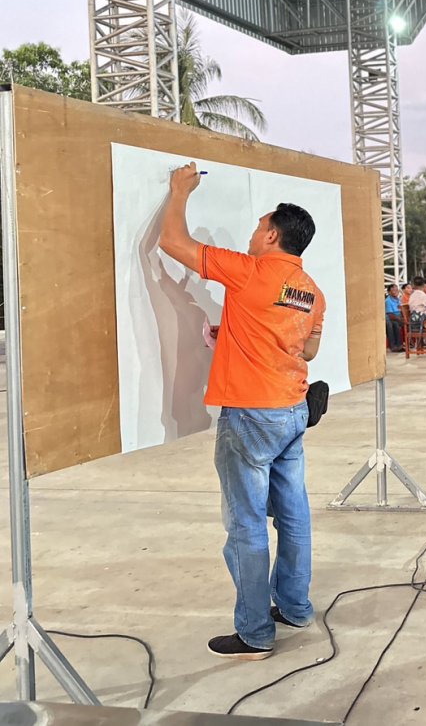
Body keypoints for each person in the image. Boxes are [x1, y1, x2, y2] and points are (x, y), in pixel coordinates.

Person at [157, 163, 322, 660]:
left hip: (250, 415)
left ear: (271, 235)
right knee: (292, 514)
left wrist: (179, 191)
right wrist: (232, 336)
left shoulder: (248, 271)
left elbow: (172, 242)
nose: (252, 232)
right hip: (291, 409)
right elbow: (307, 351)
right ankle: (293, 607)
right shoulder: (311, 290)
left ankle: (254, 632)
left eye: (257, 225)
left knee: (246, 523)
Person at [384, 284, 404, 352]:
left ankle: (401, 345)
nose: (395, 291)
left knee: (407, 322)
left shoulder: (398, 299)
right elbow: (390, 315)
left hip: (398, 317)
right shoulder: (388, 301)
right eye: (393, 290)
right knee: (392, 325)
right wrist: (400, 319)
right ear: (389, 292)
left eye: (396, 290)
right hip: (390, 318)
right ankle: (393, 346)